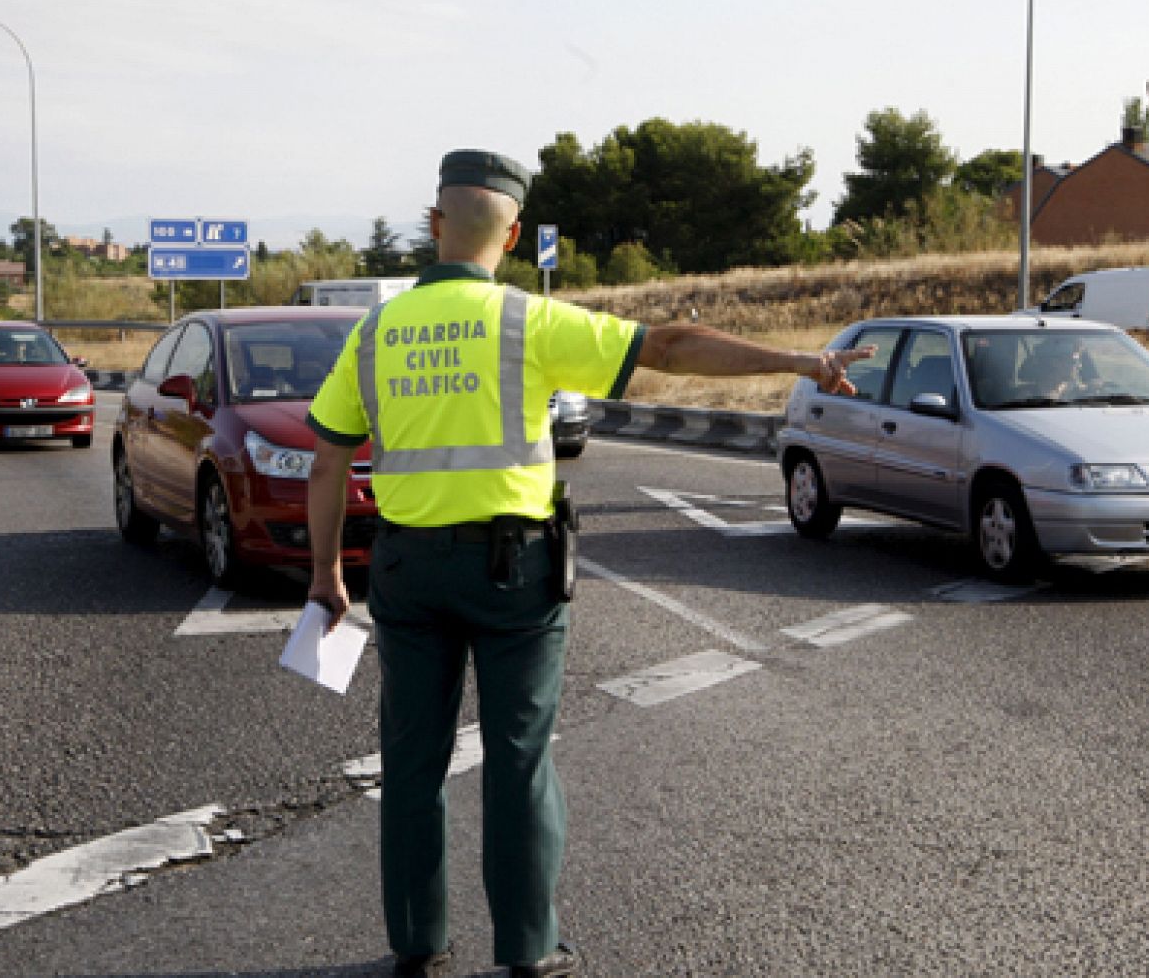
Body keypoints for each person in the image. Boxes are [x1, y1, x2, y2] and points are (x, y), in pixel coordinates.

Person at [304, 149, 873, 977]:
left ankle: (417, 943)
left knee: (412, 761)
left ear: (435, 224)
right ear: (514, 232)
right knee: (518, 757)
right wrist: (797, 363)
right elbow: (670, 348)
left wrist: (325, 574)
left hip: (406, 573)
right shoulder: (525, 322)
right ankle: (528, 950)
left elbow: (327, 461)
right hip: (513, 575)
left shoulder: (374, 333)